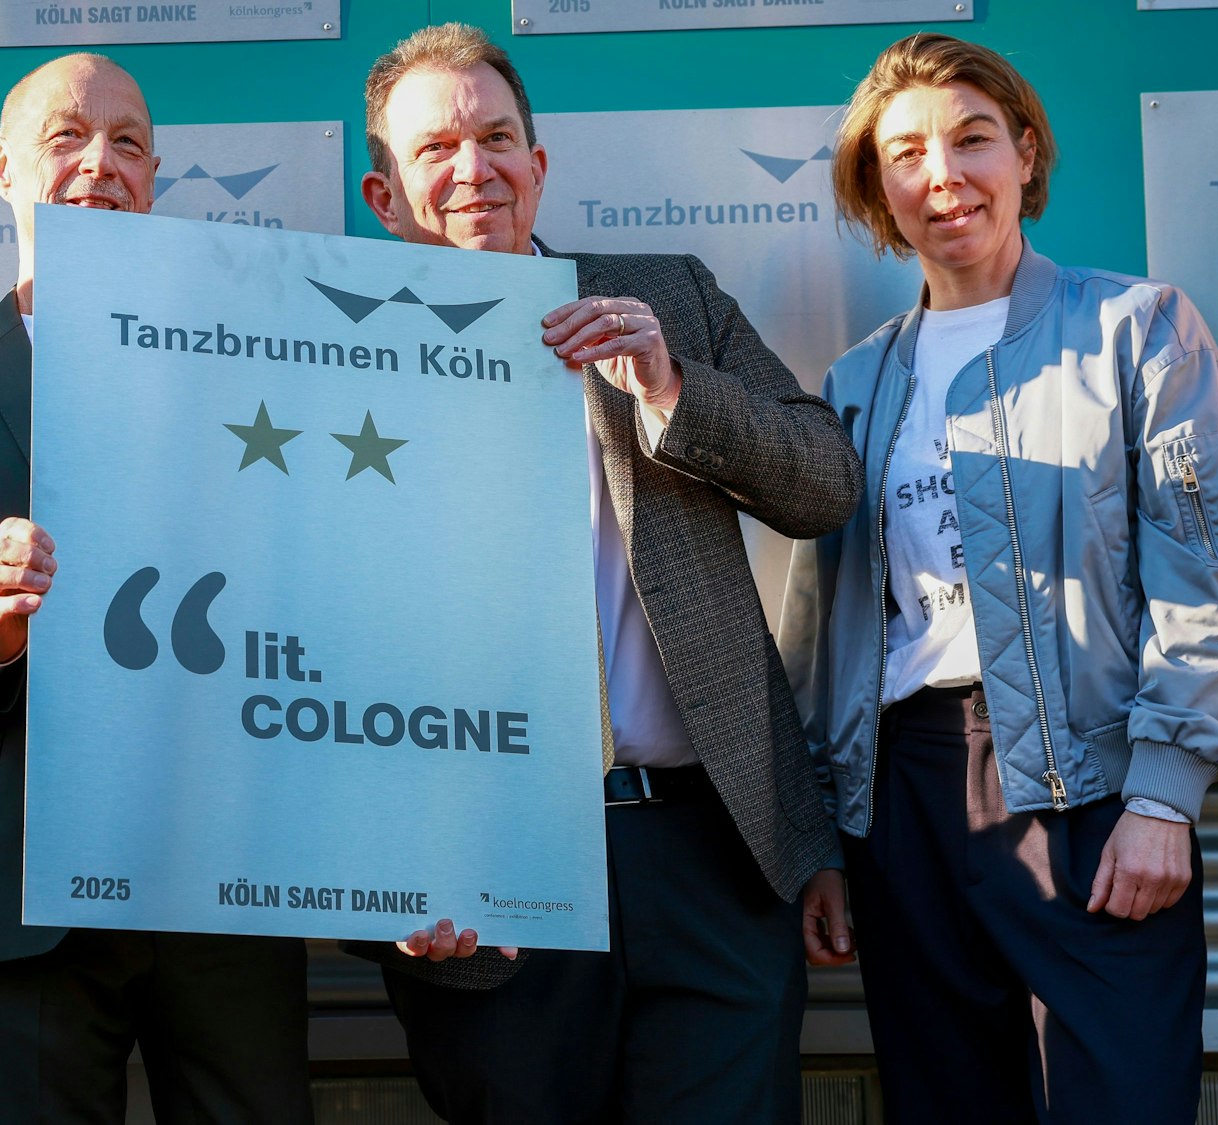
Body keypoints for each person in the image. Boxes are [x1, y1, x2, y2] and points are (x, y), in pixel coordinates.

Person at [351, 24, 861, 1124]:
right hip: (484, 871)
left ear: (539, 164)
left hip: (709, 849)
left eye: (497, 138)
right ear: (382, 196)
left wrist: (671, 389)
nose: (473, 168)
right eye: (435, 149)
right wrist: (377, 878)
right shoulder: (312, 357)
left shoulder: (661, 294)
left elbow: (822, 486)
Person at [779, 31, 1218, 1122]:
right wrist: (822, 836)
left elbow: (1205, 576)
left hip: (1092, 797)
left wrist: (1160, 798)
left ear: (1026, 154)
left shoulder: (1136, 330)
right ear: (875, 189)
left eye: (971, 139)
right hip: (902, 800)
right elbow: (825, 626)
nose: (940, 175)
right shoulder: (853, 382)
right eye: (903, 154)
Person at [0, 53, 314, 1124]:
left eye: (129, 142)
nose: (99, 161)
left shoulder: (265, 366)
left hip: (227, 865)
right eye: (65, 136)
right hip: (22, 883)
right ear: (2, 166)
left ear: (154, 177)